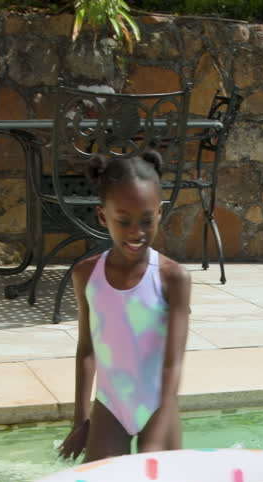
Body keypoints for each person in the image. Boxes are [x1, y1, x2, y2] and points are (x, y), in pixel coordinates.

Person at [58, 150, 191, 462]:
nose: (136, 232)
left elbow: (173, 364)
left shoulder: (173, 278)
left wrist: (159, 430)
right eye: (123, 220)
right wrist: (80, 420)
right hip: (110, 409)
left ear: (159, 213)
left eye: (146, 220)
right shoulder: (86, 275)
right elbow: (87, 349)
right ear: (103, 216)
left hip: (159, 408)